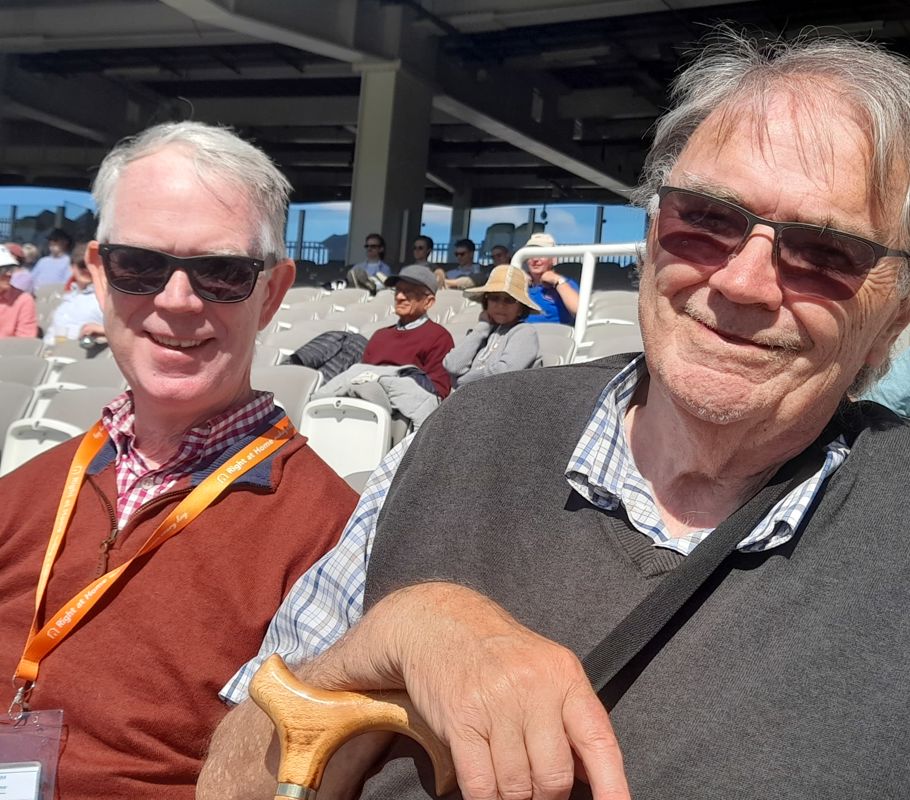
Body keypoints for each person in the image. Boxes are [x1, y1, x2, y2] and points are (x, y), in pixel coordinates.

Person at [200, 30, 910, 800]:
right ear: (651, 231)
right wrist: (388, 638)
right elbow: (232, 779)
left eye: (824, 253)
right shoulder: (466, 435)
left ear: (897, 314)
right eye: (705, 217)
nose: (742, 282)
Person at [0, 121, 357, 800]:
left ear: (272, 293)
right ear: (101, 277)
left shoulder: (330, 539)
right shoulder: (25, 494)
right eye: (141, 266)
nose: (177, 301)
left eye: (222, 272)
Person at [312, 264, 454, 428]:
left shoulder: (439, 337)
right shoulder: (380, 336)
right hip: (360, 410)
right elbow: (361, 379)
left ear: (428, 302)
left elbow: (436, 393)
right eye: (398, 290)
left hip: (400, 421)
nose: (400, 297)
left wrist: (385, 379)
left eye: (409, 292)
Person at [443, 263, 541, 388]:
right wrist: (481, 328)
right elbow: (453, 365)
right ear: (486, 301)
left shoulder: (525, 332)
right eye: (494, 298)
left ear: (521, 308)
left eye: (510, 300)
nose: (500, 305)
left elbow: (504, 372)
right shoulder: (482, 331)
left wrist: (464, 381)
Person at [42, 243, 105, 346]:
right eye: (82, 265)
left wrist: (103, 330)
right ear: (72, 267)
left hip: (80, 355)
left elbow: (125, 332)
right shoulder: (68, 297)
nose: (86, 270)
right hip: (51, 352)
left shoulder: (104, 298)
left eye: (91, 266)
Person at [522, 231, 580, 325]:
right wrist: (519, 282)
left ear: (553, 259)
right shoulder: (520, 283)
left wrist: (557, 281)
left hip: (553, 336)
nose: (535, 260)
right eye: (531, 254)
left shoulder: (565, 284)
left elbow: (579, 312)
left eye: (541, 254)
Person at [0, 243, 38, 337]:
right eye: (3, 270)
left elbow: (24, 343)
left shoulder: (23, 300)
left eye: (10, 269)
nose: (9, 274)